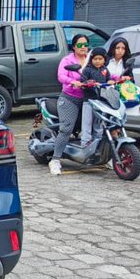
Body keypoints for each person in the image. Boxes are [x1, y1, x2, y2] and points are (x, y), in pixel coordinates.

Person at [49, 35, 91, 175]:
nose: (83, 47)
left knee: (99, 126)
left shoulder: (91, 60)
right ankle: (55, 160)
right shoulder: (67, 60)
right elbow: (61, 76)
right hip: (70, 98)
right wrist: (72, 82)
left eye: (85, 44)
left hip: (89, 99)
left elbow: (102, 72)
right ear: (74, 47)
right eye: (80, 45)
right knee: (66, 129)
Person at [79, 47, 111, 153]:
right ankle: (85, 145)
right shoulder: (87, 69)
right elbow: (82, 82)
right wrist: (88, 83)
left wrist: (111, 81)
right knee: (87, 124)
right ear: (91, 59)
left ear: (104, 60)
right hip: (88, 101)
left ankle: (98, 145)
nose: (97, 61)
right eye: (95, 59)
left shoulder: (105, 70)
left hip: (100, 102)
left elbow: (108, 80)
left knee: (98, 125)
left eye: (100, 59)